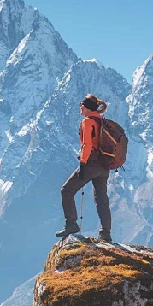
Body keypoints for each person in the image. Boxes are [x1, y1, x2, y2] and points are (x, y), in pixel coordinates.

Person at [56, 94, 112, 242]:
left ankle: (71, 224)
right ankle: (105, 233)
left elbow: (87, 144)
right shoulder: (101, 120)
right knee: (101, 198)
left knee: (66, 190)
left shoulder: (87, 122)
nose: (80, 107)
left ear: (86, 107)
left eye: (81, 105)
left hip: (91, 163)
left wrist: (82, 163)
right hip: (104, 165)